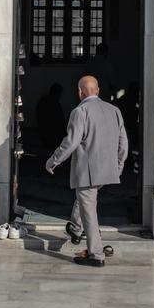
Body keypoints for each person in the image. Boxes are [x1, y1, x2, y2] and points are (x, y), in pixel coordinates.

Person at [45, 74, 128, 267]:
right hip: (107, 169)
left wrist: (53, 160)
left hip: (88, 171)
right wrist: (119, 165)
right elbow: (123, 142)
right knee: (85, 197)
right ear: (97, 91)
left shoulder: (80, 112)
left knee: (89, 210)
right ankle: (75, 227)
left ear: (80, 92)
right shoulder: (114, 110)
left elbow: (71, 142)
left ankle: (96, 254)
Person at [36, 82, 65, 150]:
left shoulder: (43, 101)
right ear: (57, 93)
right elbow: (61, 120)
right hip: (53, 136)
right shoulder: (54, 103)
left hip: (44, 135)